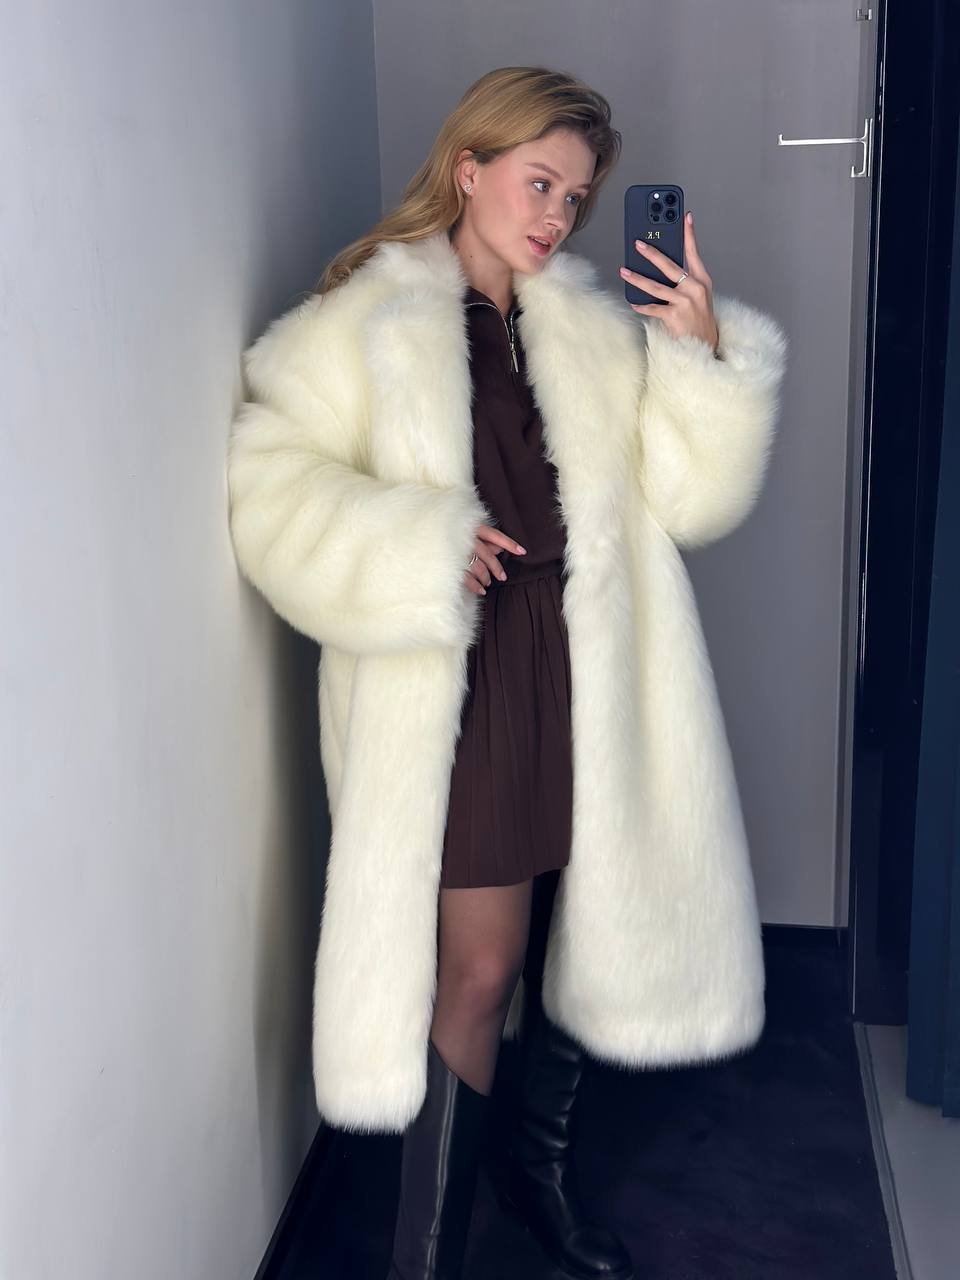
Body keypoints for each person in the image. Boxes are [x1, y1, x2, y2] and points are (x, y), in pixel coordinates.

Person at [226, 65, 787, 1280]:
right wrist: (416, 542)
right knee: (479, 967)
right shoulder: (362, 320)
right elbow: (270, 489)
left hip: (592, 659)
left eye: (575, 199)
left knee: (575, 935)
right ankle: (422, 1256)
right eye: (540, 184)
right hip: (467, 675)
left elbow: (687, 502)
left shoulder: (585, 325)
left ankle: (536, 1177)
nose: (556, 216)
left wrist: (698, 356)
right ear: (468, 166)